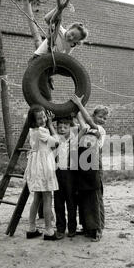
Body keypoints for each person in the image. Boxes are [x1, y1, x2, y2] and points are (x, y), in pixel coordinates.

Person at [70, 95, 109, 241]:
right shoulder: (85, 127)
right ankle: (87, 227)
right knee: (83, 195)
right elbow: (82, 122)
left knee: (95, 196)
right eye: (100, 117)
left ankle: (98, 229)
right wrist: (76, 110)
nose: (103, 120)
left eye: (105, 118)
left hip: (93, 164)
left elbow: (88, 123)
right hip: (82, 162)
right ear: (94, 115)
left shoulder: (100, 130)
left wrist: (79, 104)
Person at [24, 105, 59, 241]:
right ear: (33, 120)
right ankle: (49, 231)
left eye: (44, 117)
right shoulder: (42, 131)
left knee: (37, 198)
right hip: (43, 166)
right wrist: (51, 125)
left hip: (35, 165)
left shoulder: (32, 130)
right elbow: (56, 142)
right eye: (39, 118)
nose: (43, 119)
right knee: (47, 197)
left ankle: (31, 228)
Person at [53, 116, 82, 240]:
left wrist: (76, 116)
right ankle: (60, 228)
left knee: (71, 202)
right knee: (58, 202)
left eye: (65, 127)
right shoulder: (55, 139)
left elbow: (83, 128)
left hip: (71, 174)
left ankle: (72, 228)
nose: (62, 129)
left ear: (70, 127)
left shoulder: (74, 138)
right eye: (59, 127)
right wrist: (50, 123)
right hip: (58, 173)